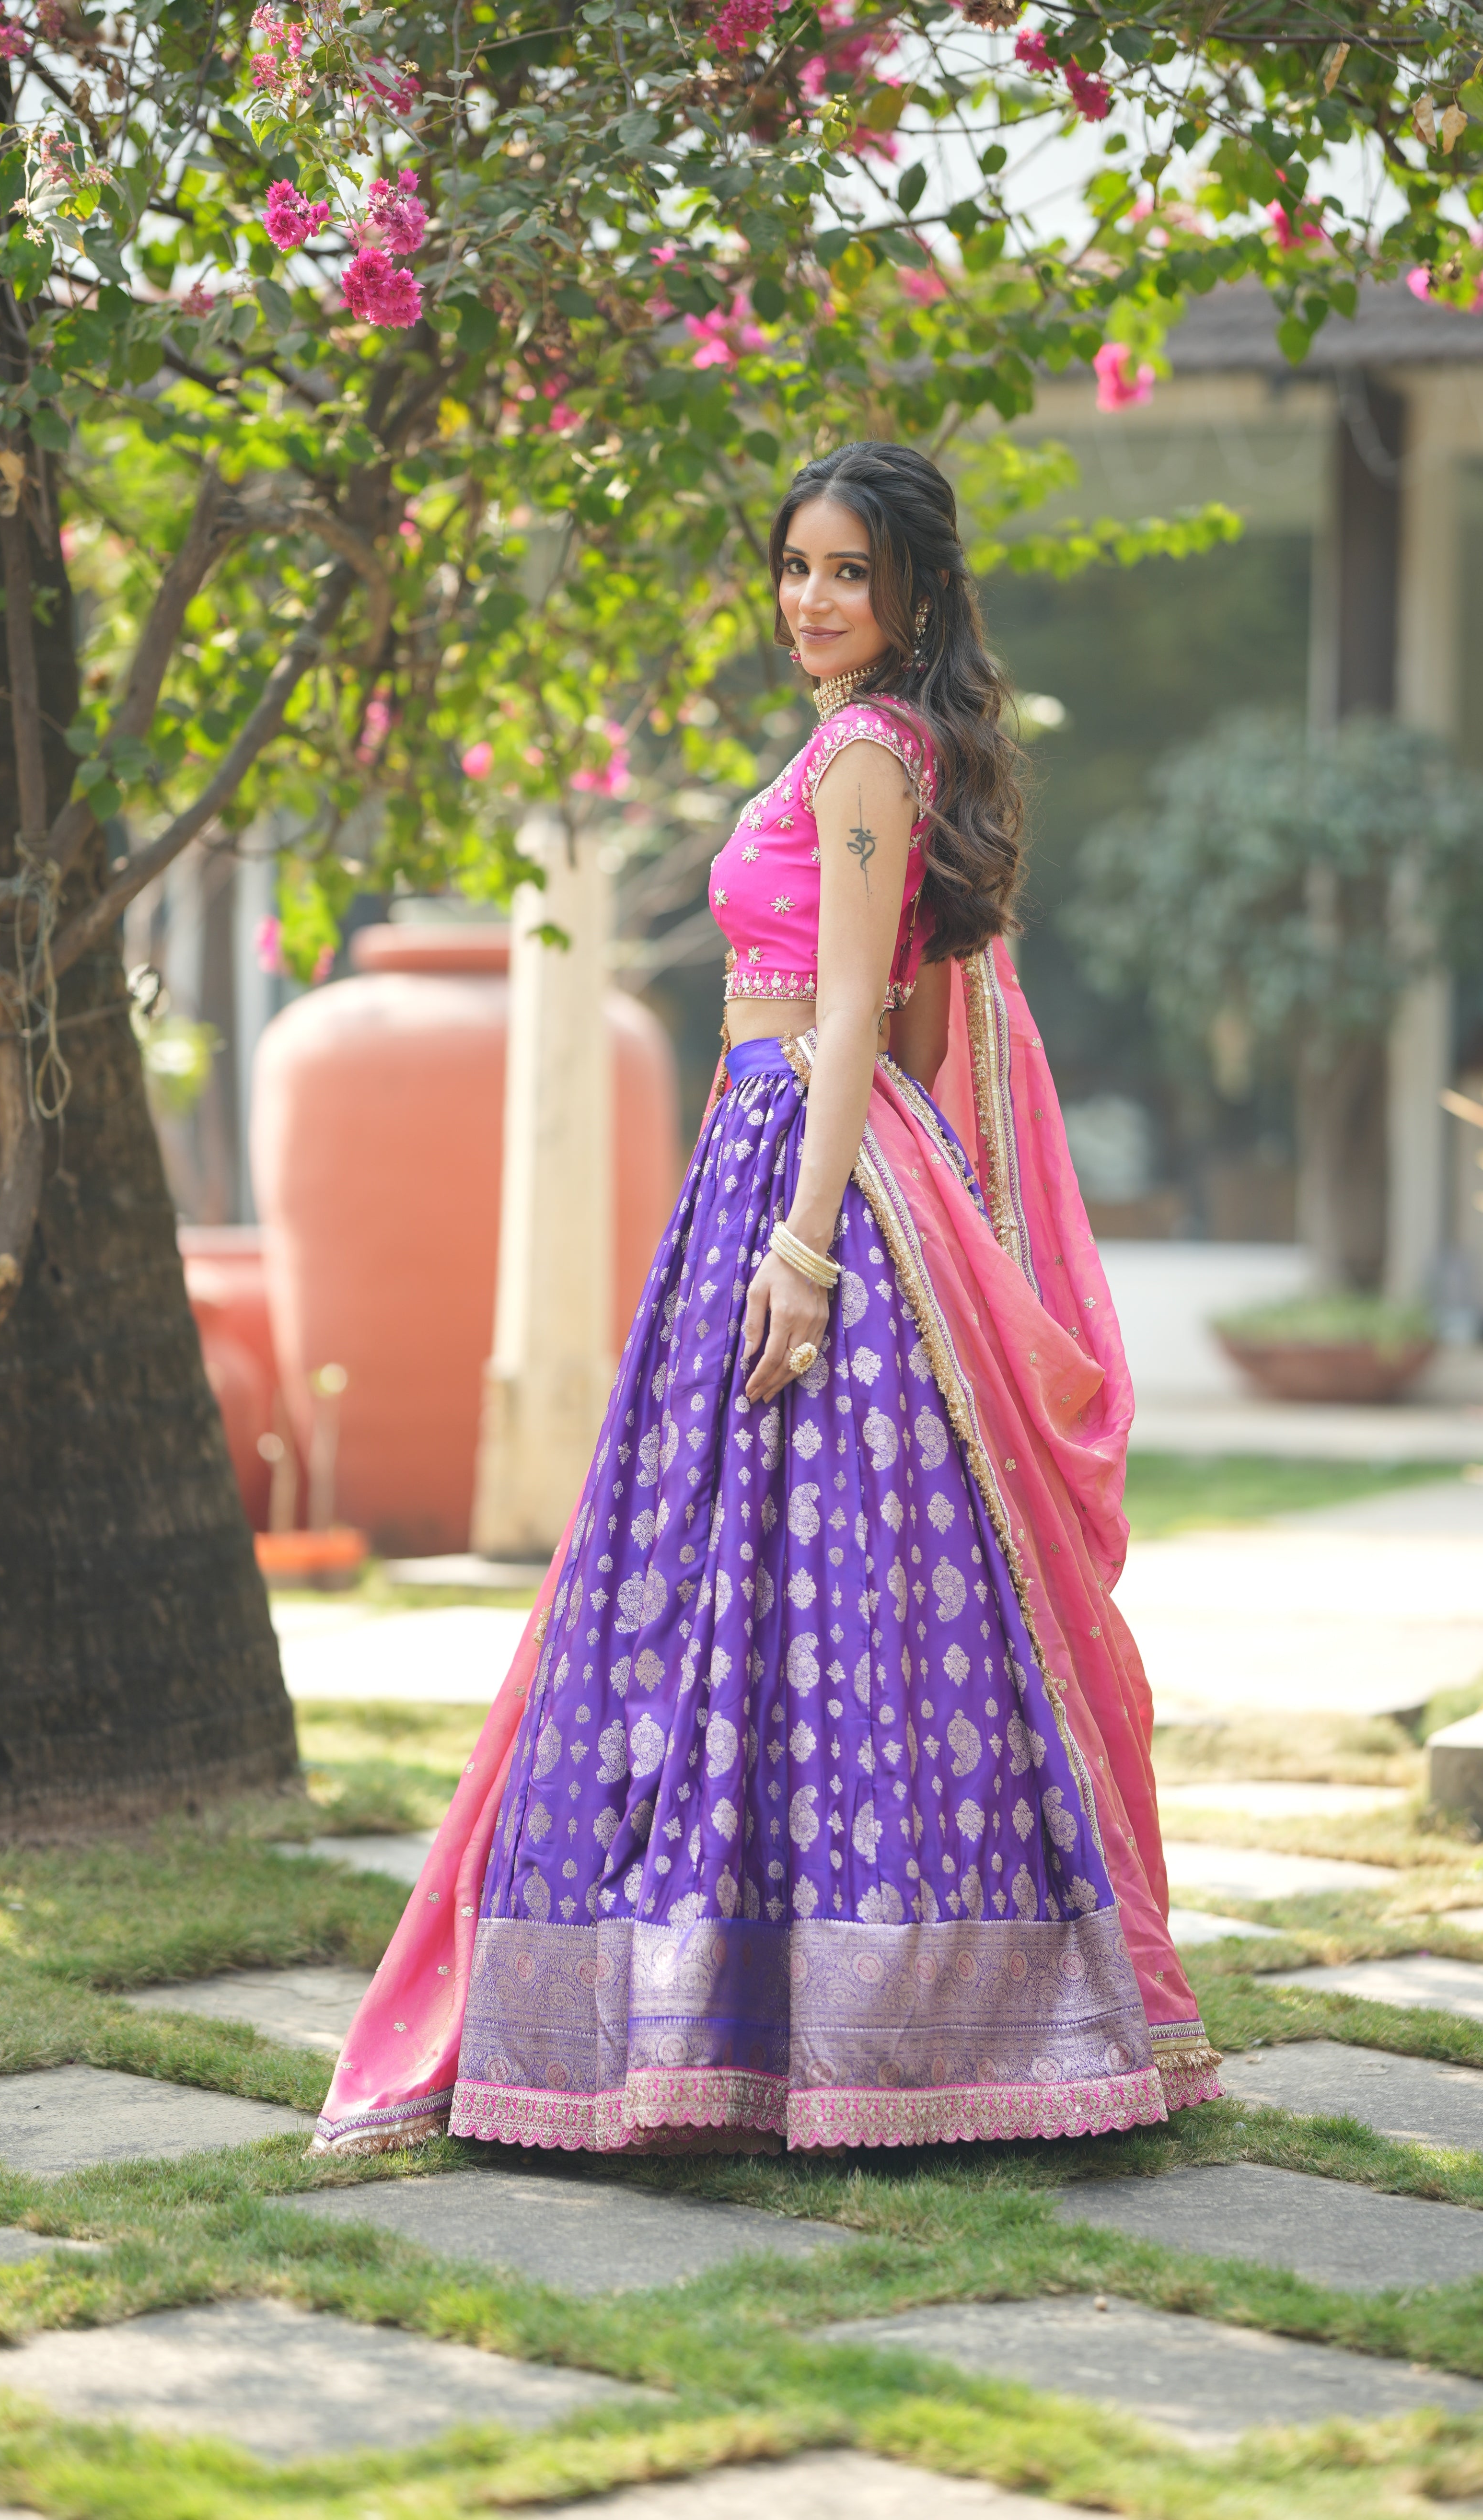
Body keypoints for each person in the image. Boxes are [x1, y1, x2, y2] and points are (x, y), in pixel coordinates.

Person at [313, 441, 1220, 2158]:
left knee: (815, 1595)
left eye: (847, 575)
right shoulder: (850, 740)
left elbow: (858, 1015)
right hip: (772, 1159)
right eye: (796, 567)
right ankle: (770, 2010)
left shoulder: (872, 754)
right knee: (758, 1591)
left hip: (813, 1185)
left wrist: (804, 1262)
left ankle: (839, 2029)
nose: (811, 600)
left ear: (915, 595)